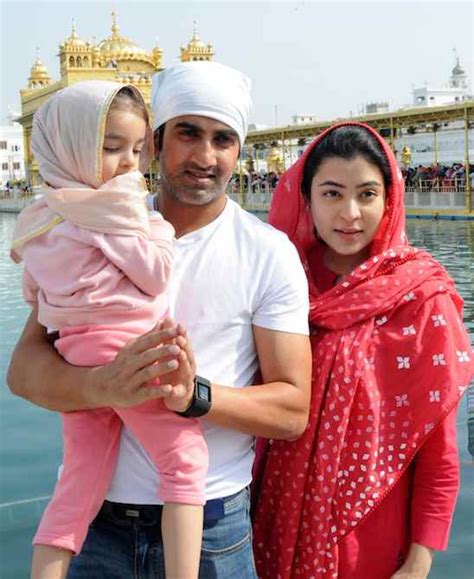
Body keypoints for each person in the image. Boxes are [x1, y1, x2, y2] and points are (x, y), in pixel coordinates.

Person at [7, 61, 312, 578]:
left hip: (211, 530)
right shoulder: (89, 222)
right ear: (157, 142)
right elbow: (23, 374)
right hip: (97, 528)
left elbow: (292, 410)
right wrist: (101, 385)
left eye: (223, 139)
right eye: (188, 133)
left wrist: (194, 395)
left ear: (239, 150)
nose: (205, 156)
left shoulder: (266, 253)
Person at [252, 122, 474, 579]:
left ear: (389, 199)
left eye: (367, 194)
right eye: (332, 193)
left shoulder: (420, 295)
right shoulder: (279, 281)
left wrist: (419, 561)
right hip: (269, 523)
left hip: (372, 535)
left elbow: (439, 449)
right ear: (306, 196)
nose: (350, 213)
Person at [10, 80, 208, 579]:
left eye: (138, 150)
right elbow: (154, 272)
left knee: (77, 483)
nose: (127, 164)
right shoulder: (108, 209)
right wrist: (155, 228)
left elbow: (34, 294)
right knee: (184, 460)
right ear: (75, 147)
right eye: (111, 147)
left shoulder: (41, 216)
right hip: (129, 348)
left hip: (75, 352)